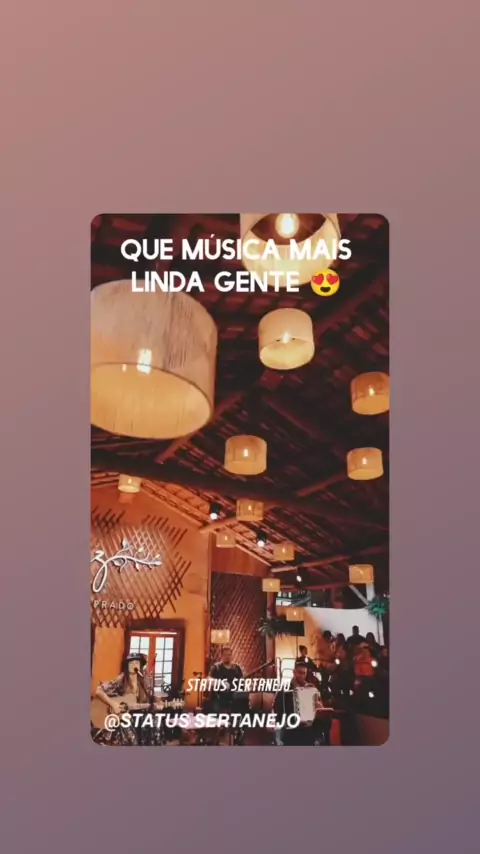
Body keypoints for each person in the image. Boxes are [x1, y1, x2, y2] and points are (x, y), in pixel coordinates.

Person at [93, 652, 158, 745]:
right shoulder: (121, 679)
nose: (134, 665)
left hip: (138, 716)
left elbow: (150, 699)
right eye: (131, 663)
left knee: (154, 721)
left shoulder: (143, 681)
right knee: (129, 725)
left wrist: (157, 703)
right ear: (127, 666)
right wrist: (113, 704)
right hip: (122, 717)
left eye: (137, 662)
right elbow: (98, 690)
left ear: (140, 666)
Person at [273, 661, 332, 746]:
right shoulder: (285, 690)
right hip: (291, 731)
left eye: (304, 673)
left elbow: (319, 710)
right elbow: (277, 710)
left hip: (308, 731)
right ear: (294, 672)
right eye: (299, 672)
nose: (302, 676)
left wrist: (319, 709)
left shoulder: (311, 689)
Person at [209, 645, 245, 744]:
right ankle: (218, 738)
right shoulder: (216, 667)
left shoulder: (236, 668)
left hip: (234, 698)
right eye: (225, 655)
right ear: (221, 656)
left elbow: (242, 682)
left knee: (239, 714)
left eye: (229, 655)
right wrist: (220, 683)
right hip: (219, 698)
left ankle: (237, 735)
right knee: (218, 720)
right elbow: (209, 680)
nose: (227, 657)